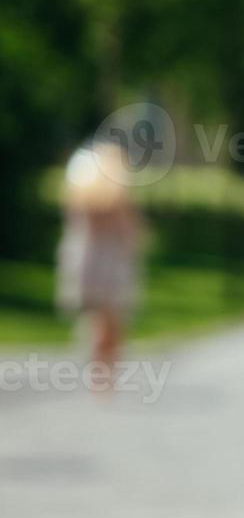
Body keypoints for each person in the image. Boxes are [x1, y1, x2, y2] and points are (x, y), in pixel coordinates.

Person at [55, 142, 143, 394]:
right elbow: (130, 233)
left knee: (97, 318)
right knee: (112, 320)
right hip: (111, 266)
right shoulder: (117, 199)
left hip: (88, 263)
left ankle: (98, 367)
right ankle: (105, 371)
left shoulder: (80, 196)